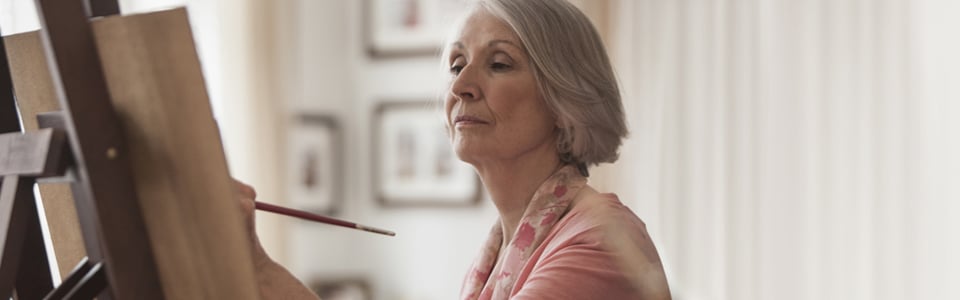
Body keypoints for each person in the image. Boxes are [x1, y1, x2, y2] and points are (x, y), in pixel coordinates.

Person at [236, 0, 671, 299]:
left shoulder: (598, 244)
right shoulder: (501, 249)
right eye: (457, 64)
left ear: (563, 100)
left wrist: (257, 268)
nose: (461, 86)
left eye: (499, 64)